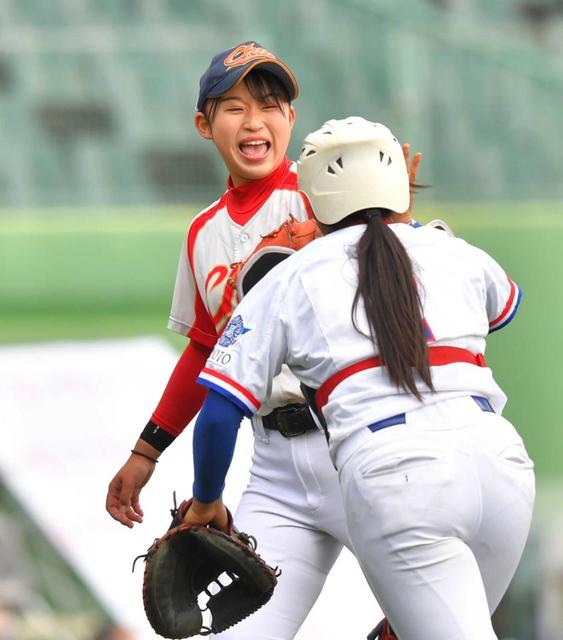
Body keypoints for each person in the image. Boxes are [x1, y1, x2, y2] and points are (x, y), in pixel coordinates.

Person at [106, 42, 425, 639]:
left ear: (291, 120)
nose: (254, 121)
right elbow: (206, 350)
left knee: (436, 621)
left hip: (353, 440)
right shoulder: (204, 232)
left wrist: (393, 220)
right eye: (233, 107)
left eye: (271, 104)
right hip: (273, 463)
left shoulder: (325, 199)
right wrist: (146, 452)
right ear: (204, 124)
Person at [182, 117, 535, 639]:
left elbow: (217, 415)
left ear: (312, 193)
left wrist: (206, 499)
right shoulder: (452, 250)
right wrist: (410, 229)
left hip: (397, 476)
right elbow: (506, 307)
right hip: (502, 466)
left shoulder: (290, 275)